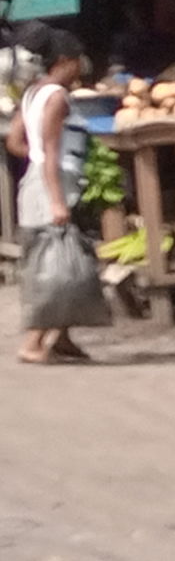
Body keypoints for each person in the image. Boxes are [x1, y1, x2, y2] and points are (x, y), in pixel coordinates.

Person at [8, 26, 91, 363]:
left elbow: (15, 142)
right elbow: (51, 152)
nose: (81, 66)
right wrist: (56, 200)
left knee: (60, 261)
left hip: (35, 182)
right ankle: (33, 343)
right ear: (64, 61)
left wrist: (36, 158)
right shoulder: (56, 98)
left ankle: (62, 337)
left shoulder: (32, 93)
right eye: (77, 60)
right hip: (52, 185)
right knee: (54, 267)